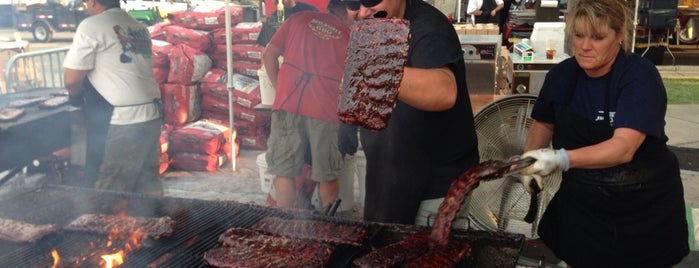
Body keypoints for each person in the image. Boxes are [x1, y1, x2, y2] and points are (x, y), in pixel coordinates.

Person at [518, 0, 689, 266]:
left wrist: (559, 159)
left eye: (598, 37)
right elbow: (544, 123)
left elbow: (624, 147)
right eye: (578, 35)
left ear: (619, 35)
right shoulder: (562, 76)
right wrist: (529, 161)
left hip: (641, 209)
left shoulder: (639, 76)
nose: (585, 46)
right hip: (584, 205)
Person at [342, 0, 480, 225]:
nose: (363, 11)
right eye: (352, 3)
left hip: (433, 190)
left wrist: (376, 70)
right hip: (389, 175)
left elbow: (444, 90)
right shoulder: (374, 24)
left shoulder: (428, 29)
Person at [63, 0, 163, 195]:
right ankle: (157, 221)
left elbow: (72, 79)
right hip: (151, 115)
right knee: (147, 183)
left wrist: (75, 99)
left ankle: (112, 223)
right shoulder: (138, 26)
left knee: (112, 191)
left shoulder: (92, 25)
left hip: (123, 120)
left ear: (92, 2)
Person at [262, 0, 354, 210]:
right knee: (327, 174)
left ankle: (284, 228)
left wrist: (280, 88)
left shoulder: (297, 19)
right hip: (325, 110)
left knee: (285, 171)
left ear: (328, 9)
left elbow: (268, 54)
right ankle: (325, 228)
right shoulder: (349, 35)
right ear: (346, 14)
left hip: (287, 104)